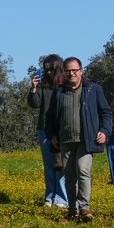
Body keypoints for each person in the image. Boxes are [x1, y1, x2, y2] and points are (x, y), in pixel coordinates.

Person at [46, 57, 112, 222]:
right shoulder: (59, 92)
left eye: (75, 70)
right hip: (66, 140)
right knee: (69, 176)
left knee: (83, 170)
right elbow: (50, 117)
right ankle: (72, 211)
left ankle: (84, 208)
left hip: (86, 139)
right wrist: (52, 135)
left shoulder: (93, 89)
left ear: (81, 71)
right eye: (68, 70)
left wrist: (104, 131)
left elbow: (106, 113)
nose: (71, 73)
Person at [27, 54, 68, 206]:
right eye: (46, 69)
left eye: (51, 69)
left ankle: (62, 199)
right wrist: (33, 88)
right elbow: (35, 103)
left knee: (62, 165)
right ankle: (49, 197)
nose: (48, 72)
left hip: (62, 129)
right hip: (44, 128)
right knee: (49, 165)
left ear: (58, 68)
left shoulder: (66, 85)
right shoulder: (43, 85)